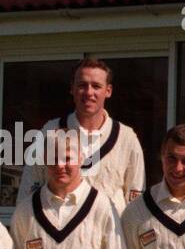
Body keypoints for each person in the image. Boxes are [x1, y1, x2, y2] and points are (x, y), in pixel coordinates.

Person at [20, 58, 146, 213]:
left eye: (96, 86)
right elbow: (29, 189)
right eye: (82, 85)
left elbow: (136, 201)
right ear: (72, 89)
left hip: (110, 234)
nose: (89, 92)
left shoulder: (126, 138)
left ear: (108, 91)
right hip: (60, 230)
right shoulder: (50, 131)